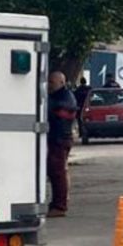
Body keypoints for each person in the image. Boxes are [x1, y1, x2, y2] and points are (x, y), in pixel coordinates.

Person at [47, 72, 78, 217]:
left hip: (60, 139)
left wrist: (48, 106)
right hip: (56, 138)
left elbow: (62, 113)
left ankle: (60, 206)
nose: (49, 85)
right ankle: (56, 203)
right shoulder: (57, 96)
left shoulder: (65, 97)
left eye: (52, 82)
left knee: (58, 173)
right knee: (54, 172)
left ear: (61, 82)